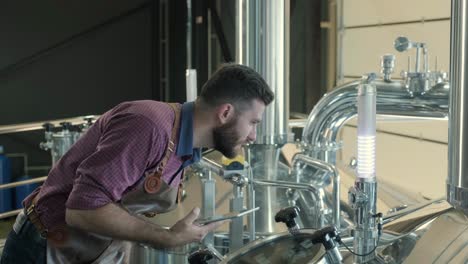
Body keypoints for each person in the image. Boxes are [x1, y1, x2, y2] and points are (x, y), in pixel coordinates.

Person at [0, 63, 274, 263]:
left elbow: (122, 208)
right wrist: (165, 237)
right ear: (225, 112)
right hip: (43, 249)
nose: (253, 136)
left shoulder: (186, 148)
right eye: (252, 123)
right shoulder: (149, 125)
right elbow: (82, 210)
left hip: (89, 252)